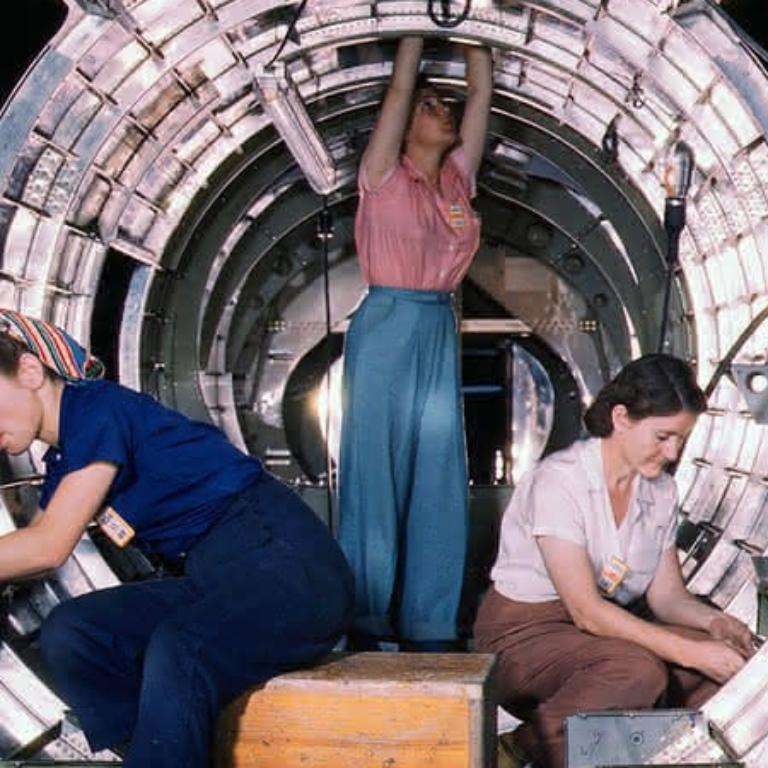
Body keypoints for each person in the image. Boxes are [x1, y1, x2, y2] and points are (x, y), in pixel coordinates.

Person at [0, 309, 353, 768]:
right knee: (74, 632)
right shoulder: (66, 458)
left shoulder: (96, 410)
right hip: (214, 579)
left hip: (291, 572)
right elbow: (31, 549)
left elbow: (48, 546)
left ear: (30, 370)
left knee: (181, 646)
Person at [473, 354, 754, 768]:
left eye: (681, 439)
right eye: (663, 436)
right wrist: (689, 652)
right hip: (522, 636)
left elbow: (667, 597)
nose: (673, 452)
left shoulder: (660, 492)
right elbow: (586, 611)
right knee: (637, 670)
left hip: (598, 635)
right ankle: (524, 748)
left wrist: (715, 625)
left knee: (711, 665)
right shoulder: (560, 481)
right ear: (621, 418)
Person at [338, 36, 492, 649]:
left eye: (443, 105)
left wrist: (476, 29)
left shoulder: (457, 180)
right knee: (374, 472)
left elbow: (480, 89)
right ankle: (365, 619)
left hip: (436, 325)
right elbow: (400, 88)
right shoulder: (382, 173)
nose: (442, 111)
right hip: (387, 323)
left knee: (439, 474)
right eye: (429, 106)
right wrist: (413, 31)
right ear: (402, 127)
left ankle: (430, 622)